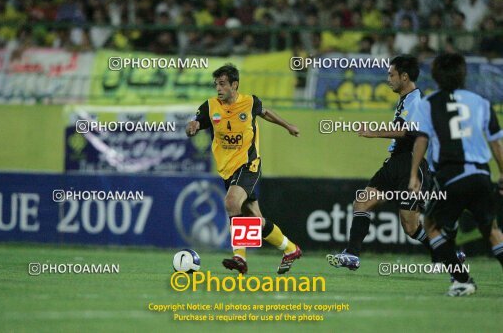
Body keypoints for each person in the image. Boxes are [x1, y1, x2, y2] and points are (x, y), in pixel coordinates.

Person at [186, 64, 302, 274]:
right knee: (254, 221)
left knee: (231, 202)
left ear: (234, 85)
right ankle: (291, 249)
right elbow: (194, 123)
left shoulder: (249, 102)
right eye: (216, 85)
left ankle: (239, 257)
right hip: (227, 170)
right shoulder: (210, 107)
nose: (218, 89)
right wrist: (192, 127)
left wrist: (288, 126)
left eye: (222, 84)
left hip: (249, 164)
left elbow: (265, 113)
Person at [408, 53, 503, 296]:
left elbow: (421, 139)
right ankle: (462, 279)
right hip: (481, 175)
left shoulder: (428, 104)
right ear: (463, 74)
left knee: (430, 225)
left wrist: (413, 176)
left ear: (436, 76)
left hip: (451, 176)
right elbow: (497, 144)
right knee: (491, 230)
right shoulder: (481, 102)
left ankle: (462, 280)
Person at [327, 55, 432, 270]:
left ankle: (450, 254)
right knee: (362, 202)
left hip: (410, 164)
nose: (388, 79)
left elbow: (410, 132)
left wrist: (374, 133)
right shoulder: (405, 99)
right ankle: (352, 254)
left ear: (404, 76)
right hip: (395, 162)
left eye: (391, 75)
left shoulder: (417, 100)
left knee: (411, 227)